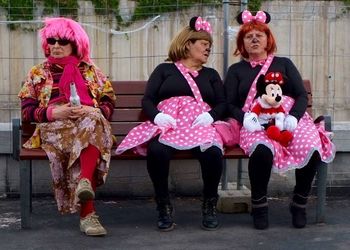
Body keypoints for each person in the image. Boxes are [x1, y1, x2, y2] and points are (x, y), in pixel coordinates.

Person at [224, 10, 335, 230]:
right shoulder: (236, 70)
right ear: (242, 43)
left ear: (268, 40)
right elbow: (228, 103)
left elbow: (302, 95)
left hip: (288, 120)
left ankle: (299, 203)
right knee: (262, 151)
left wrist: (294, 117)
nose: (254, 39)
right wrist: (244, 117)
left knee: (312, 147)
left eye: (259, 35)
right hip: (255, 120)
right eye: (248, 36)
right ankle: (259, 205)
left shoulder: (283, 63)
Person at [116, 16, 226, 231]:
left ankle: (210, 203)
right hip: (170, 127)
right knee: (157, 150)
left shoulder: (211, 74)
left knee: (212, 152)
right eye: (204, 44)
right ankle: (163, 204)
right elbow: (147, 100)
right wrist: (156, 116)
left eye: (209, 46)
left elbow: (223, 103)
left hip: (199, 126)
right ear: (188, 45)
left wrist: (211, 116)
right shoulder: (164, 70)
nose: (208, 49)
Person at [18, 17, 116, 236]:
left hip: (88, 124)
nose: (55, 46)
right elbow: (27, 111)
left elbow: (108, 102)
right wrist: (54, 112)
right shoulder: (37, 73)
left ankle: (84, 187)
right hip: (54, 129)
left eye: (62, 41)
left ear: (74, 44)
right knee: (92, 128)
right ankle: (87, 213)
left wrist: (92, 110)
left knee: (93, 119)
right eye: (51, 40)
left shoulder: (91, 71)